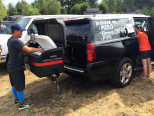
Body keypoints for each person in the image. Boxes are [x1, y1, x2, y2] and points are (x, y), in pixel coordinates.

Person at [7, 24, 44, 110]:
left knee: (14, 84)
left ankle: (17, 99)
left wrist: (28, 42)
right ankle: (22, 104)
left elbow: (22, 47)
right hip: (16, 67)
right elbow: (28, 50)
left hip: (11, 66)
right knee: (19, 86)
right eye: (21, 31)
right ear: (15, 31)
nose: (22, 33)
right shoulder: (15, 41)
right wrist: (40, 50)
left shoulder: (11, 40)